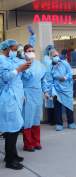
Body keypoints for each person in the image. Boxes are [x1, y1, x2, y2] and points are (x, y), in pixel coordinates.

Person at [0, 39, 31, 170]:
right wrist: (19, 69)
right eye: (13, 49)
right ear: (6, 48)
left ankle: (11, 154)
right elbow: (5, 77)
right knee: (12, 127)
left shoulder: (12, 60)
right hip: (8, 98)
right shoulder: (1, 60)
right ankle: (10, 159)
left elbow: (20, 78)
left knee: (15, 126)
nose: (16, 51)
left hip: (17, 96)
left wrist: (25, 68)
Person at [21, 42, 49, 152]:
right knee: (28, 118)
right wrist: (22, 95)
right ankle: (28, 144)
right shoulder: (22, 65)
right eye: (29, 51)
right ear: (24, 53)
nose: (31, 53)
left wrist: (45, 92)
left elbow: (43, 80)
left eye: (33, 51)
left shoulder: (38, 64)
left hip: (38, 93)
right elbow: (19, 82)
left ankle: (36, 141)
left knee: (36, 118)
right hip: (27, 93)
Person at [46, 50, 76, 131]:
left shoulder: (64, 63)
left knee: (69, 105)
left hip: (67, 87)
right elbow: (49, 81)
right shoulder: (50, 68)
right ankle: (59, 123)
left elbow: (70, 72)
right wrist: (50, 93)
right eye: (54, 56)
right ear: (50, 57)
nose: (56, 57)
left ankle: (71, 122)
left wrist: (65, 77)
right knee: (57, 106)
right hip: (57, 88)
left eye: (57, 55)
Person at [42, 44, 57, 125]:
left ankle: (55, 118)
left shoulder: (53, 58)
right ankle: (51, 120)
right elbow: (51, 66)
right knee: (50, 102)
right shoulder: (45, 58)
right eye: (51, 50)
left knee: (55, 102)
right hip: (48, 83)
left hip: (54, 83)